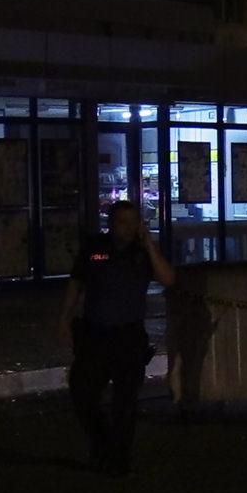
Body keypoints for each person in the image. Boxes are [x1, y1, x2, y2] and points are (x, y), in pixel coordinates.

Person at [57, 200, 176, 475]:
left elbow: (168, 278)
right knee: (82, 393)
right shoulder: (94, 248)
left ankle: (118, 459)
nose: (130, 227)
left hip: (128, 336)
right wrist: (64, 319)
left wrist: (149, 245)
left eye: (134, 221)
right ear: (111, 224)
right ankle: (102, 443)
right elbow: (76, 283)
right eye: (123, 222)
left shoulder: (143, 252)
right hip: (95, 335)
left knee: (125, 402)